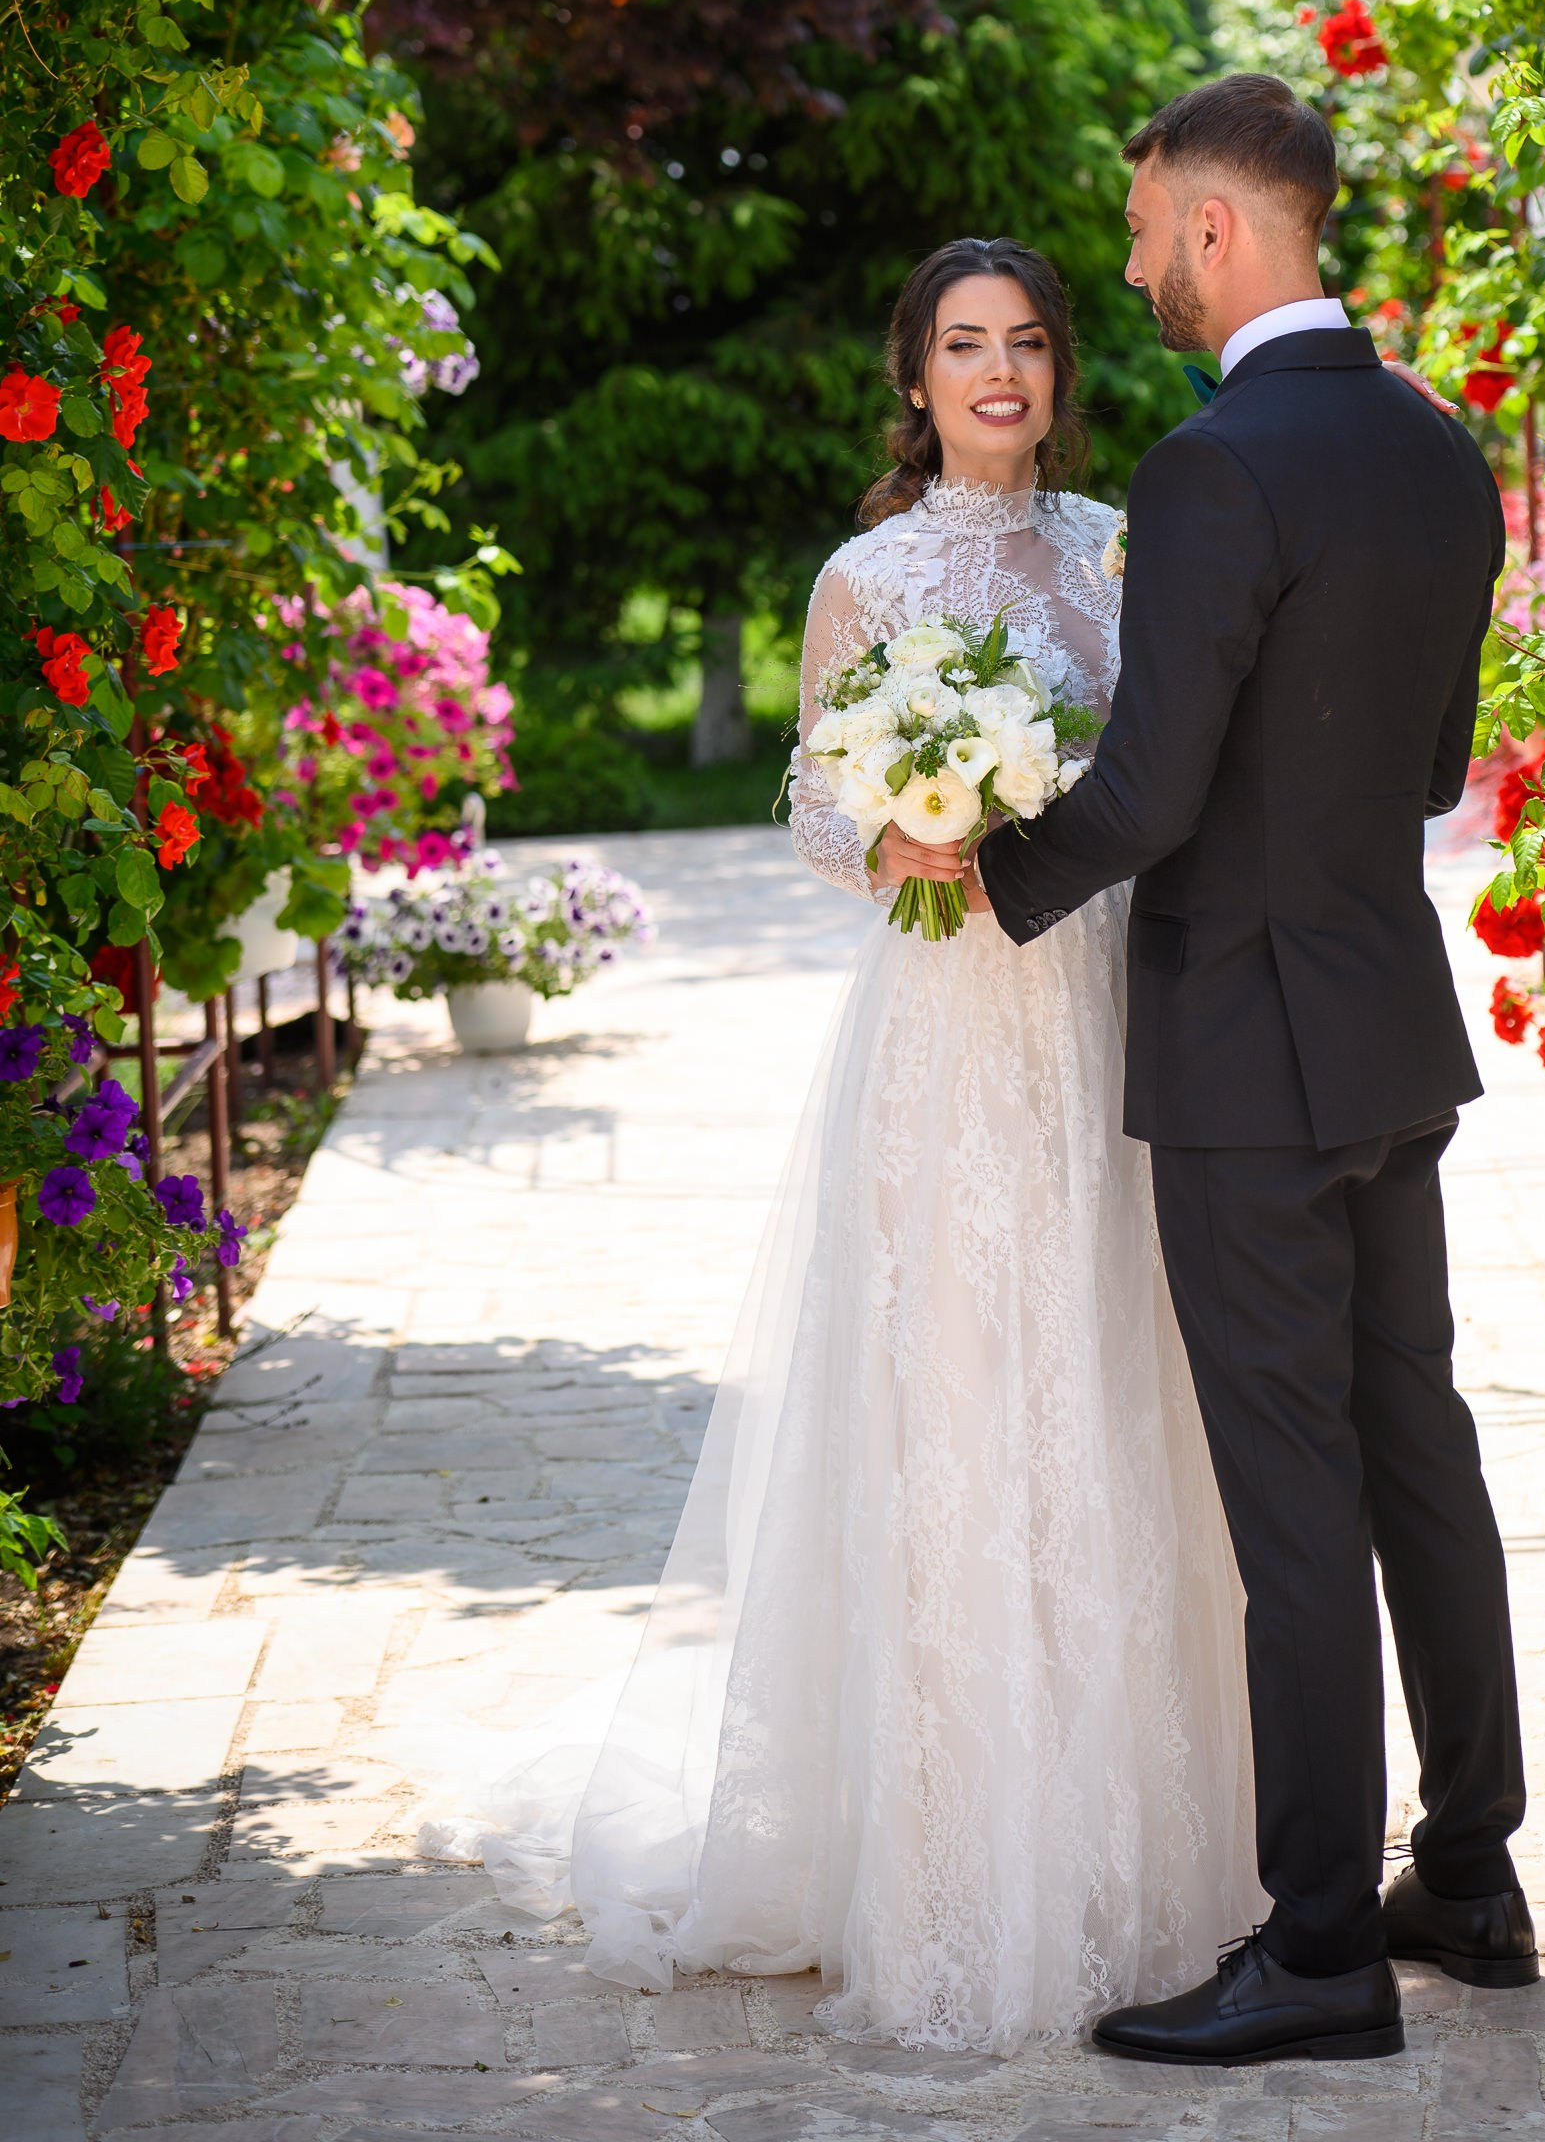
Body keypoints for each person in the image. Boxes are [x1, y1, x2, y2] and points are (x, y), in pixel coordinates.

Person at [447, 236, 1257, 2056]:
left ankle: (1151, 1849)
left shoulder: (1132, 546)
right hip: (945, 1036)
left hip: (1111, 1006)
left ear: (1060, 371)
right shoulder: (863, 575)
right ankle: (952, 1858)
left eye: (1028, 344)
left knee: (1123, 1382)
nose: (997, 373)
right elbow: (816, 790)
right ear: (916, 376)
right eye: (963, 346)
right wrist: (897, 830)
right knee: (955, 1398)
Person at [934, 73, 1534, 2066]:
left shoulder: (1216, 469)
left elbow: (1147, 792)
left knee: (1293, 1505)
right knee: (1416, 1453)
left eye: (1135, 229)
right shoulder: (1439, 451)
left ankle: (1313, 1950)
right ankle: (1464, 1873)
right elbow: (1434, 769)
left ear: (1215, 224)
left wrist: (979, 867)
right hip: (1381, 1026)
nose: (1122, 268)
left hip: (1238, 1059)